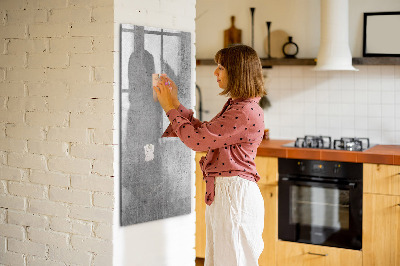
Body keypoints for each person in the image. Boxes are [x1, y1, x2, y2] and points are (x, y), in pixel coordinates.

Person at [153, 44, 267, 266]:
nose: (215, 72)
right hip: (228, 194)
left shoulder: (243, 111)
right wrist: (175, 103)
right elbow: (205, 133)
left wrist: (169, 108)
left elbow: (197, 141)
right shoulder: (239, 106)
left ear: (237, 72)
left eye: (221, 67)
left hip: (234, 196)